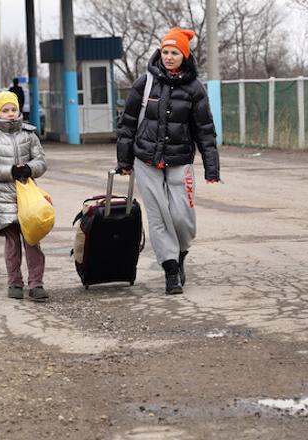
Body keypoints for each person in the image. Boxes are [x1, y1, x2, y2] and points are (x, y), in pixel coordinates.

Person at [116, 27, 220, 295]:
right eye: (165, 51)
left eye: (175, 52)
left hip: (180, 160)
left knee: (182, 216)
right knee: (159, 216)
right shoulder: (145, 83)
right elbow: (127, 124)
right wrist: (124, 160)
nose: (169, 56)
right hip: (146, 160)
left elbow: (205, 130)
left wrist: (212, 166)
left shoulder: (195, 89)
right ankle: (171, 269)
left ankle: (181, 252)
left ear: (184, 56)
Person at [0, 91, 48, 301]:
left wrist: (30, 169)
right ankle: (14, 282)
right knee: (12, 243)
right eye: (5, 110)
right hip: (4, 199)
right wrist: (10, 172)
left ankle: (36, 283)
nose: (10, 114)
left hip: (28, 200)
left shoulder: (29, 134)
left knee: (32, 242)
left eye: (13, 109)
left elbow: (41, 161)